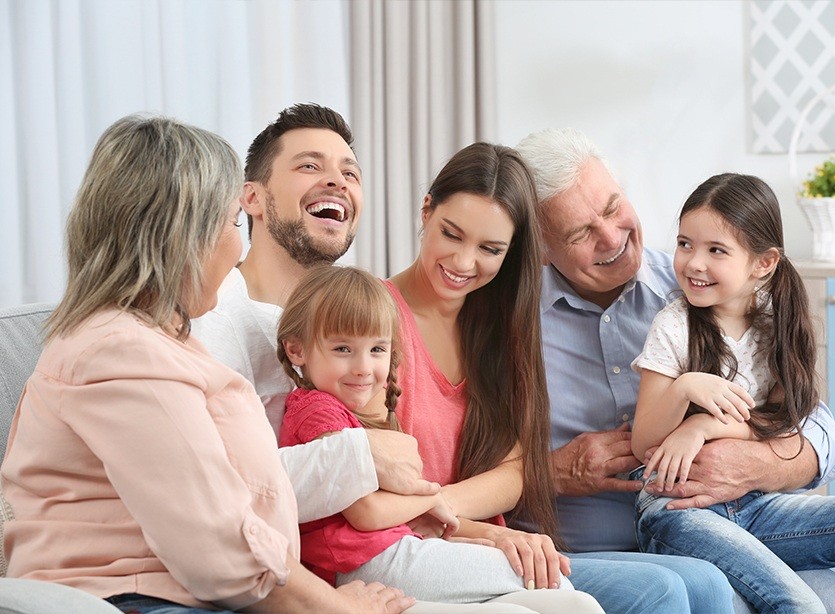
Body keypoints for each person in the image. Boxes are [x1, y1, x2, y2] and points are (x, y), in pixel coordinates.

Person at [0, 115, 412, 613]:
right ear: (179, 236)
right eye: (231, 223)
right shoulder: (123, 352)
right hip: (141, 598)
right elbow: (222, 555)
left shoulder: (156, 339)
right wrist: (342, 609)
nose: (235, 245)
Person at [514, 127, 835, 613]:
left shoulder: (705, 288)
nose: (611, 237)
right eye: (581, 233)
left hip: (736, 524)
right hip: (594, 556)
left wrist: (752, 461)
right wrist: (549, 473)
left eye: (612, 207)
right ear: (538, 247)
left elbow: (821, 435)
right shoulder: (509, 327)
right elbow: (457, 472)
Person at [381, 141, 718, 613]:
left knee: (706, 584)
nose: (463, 263)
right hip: (430, 542)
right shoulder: (381, 320)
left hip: (483, 531)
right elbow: (374, 483)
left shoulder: (491, 325)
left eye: (490, 248)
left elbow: (511, 470)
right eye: (451, 234)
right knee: (662, 591)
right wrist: (491, 518)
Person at [630, 173, 835, 612]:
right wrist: (684, 390)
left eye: (716, 250)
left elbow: (783, 421)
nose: (694, 263)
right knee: (799, 603)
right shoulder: (674, 325)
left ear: (764, 262)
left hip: (759, 508)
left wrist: (704, 425)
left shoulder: (778, 324)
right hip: (679, 512)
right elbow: (644, 443)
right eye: (685, 244)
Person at [274, 264, 603, 612]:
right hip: (361, 562)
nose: (363, 368)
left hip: (396, 549)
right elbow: (367, 514)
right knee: (547, 584)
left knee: (571, 602)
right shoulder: (316, 410)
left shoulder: (359, 414)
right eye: (343, 349)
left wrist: (472, 526)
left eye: (376, 350)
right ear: (297, 350)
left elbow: (406, 518)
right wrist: (433, 500)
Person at [192, 103, 440, 527]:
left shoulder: (364, 318)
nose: (336, 182)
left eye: (351, 173)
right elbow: (211, 489)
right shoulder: (208, 319)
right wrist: (361, 456)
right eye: (309, 166)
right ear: (251, 198)